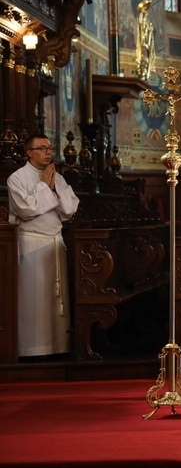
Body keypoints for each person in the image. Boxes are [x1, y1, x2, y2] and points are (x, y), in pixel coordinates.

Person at [8, 134, 79, 358]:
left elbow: (69, 209)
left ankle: (59, 347)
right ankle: (31, 350)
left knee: (55, 302)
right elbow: (26, 210)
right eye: (42, 148)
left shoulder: (56, 177)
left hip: (54, 244)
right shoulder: (16, 178)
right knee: (34, 303)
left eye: (50, 148)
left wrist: (53, 189)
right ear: (29, 152)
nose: (48, 152)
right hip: (31, 247)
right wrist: (44, 188)